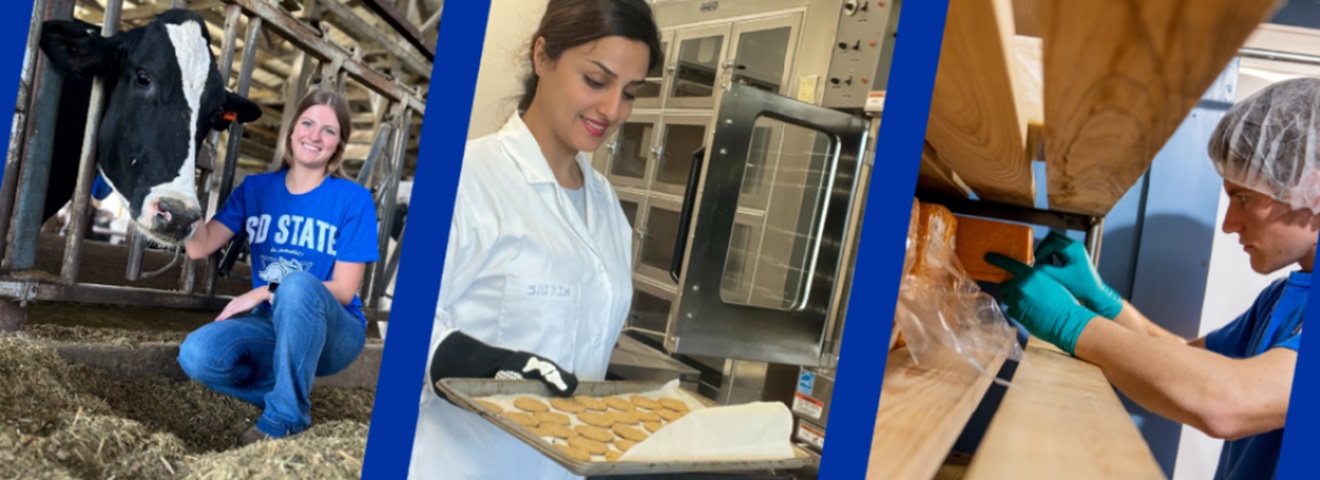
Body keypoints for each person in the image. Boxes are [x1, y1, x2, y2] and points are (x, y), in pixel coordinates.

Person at [986, 78, 1317, 480]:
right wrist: (1103, 301)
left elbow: (1229, 401)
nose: (1230, 224)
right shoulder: (1284, 296)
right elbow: (1186, 359)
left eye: (1244, 198)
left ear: (1313, 191)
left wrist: (1073, 325)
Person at [408, 1, 661, 478]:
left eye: (630, 93)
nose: (613, 110)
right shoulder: (465, 177)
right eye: (596, 81)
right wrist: (485, 363)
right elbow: (397, 319)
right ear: (543, 56)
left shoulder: (607, 207)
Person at [177, 89, 380, 445]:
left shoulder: (353, 199)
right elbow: (200, 246)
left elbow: (345, 290)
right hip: (271, 324)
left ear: (338, 145)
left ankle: (285, 420)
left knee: (298, 285)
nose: (315, 136)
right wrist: (181, 191)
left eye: (329, 131)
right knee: (196, 355)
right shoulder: (255, 189)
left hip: (334, 331)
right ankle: (285, 393)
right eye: (307, 123)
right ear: (292, 130)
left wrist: (264, 291)